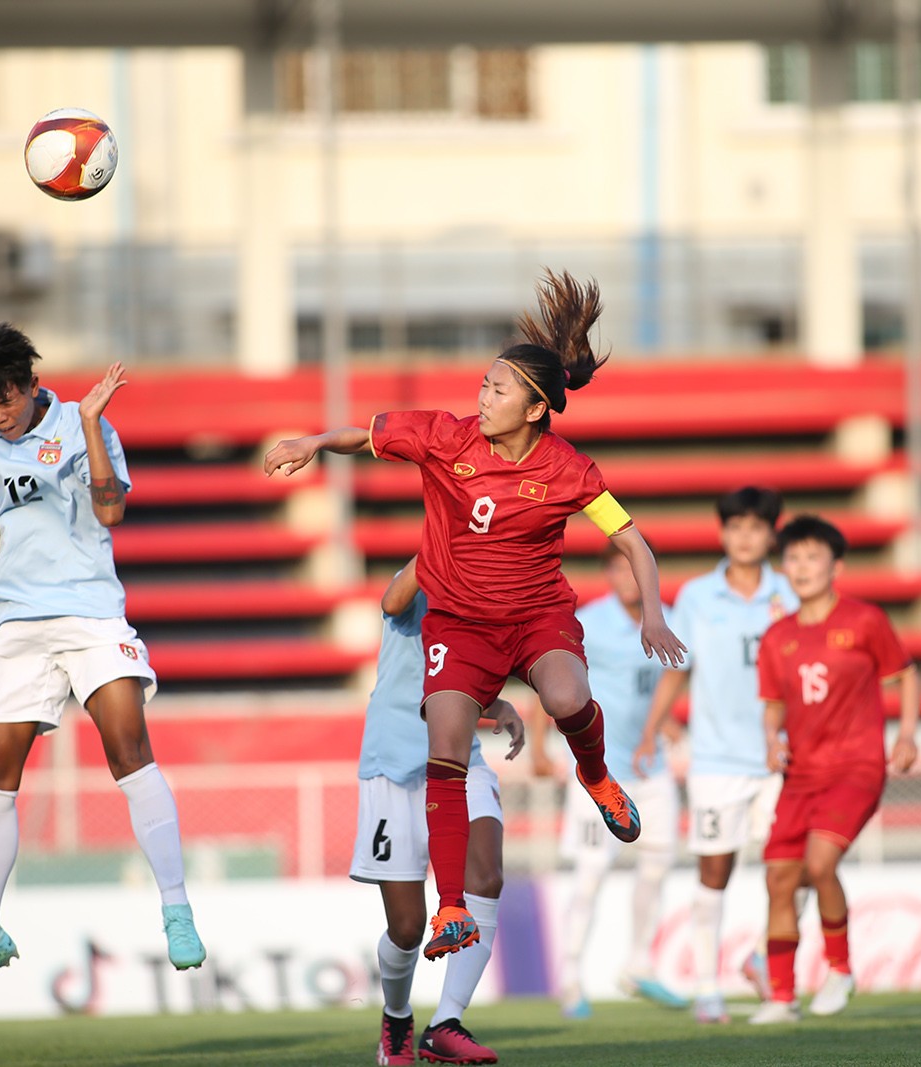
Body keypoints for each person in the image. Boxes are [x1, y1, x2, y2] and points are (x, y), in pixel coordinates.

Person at [264, 270, 687, 962]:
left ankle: (597, 776)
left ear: (534, 407)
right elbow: (362, 434)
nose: (482, 396)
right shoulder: (444, 437)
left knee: (566, 695)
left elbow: (630, 539)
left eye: (497, 388)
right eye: (484, 383)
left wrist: (654, 615)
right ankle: (451, 906)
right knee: (448, 747)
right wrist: (312, 442)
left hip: (535, 616)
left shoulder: (568, 470)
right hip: (459, 624)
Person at [0, 321, 205, 1006]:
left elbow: (111, 512)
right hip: (16, 623)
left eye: (2, 399)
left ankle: (176, 906)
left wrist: (97, 427)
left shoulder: (81, 421)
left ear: (27, 383)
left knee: (128, 746)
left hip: (90, 610)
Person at [633, 486, 795, 1024]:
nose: (745, 536)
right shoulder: (699, 596)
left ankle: (762, 960)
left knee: (800, 869)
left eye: (755, 526)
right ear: (723, 532)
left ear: (772, 533)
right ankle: (707, 986)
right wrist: (650, 730)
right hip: (717, 762)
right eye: (736, 526)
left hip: (782, 759)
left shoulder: (792, 591)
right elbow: (678, 667)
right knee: (714, 873)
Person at [354, 558, 524, 1066]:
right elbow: (390, 603)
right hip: (394, 766)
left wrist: (499, 705)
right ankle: (397, 1017)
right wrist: (436, 546)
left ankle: (445, 1022)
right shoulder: (424, 582)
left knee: (487, 876)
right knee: (406, 927)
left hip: (458, 761)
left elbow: (470, 677)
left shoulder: (486, 597)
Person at [750, 516, 917, 1024]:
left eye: (812, 557)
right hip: (799, 776)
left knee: (820, 865)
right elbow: (773, 703)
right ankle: (782, 997)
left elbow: (905, 674)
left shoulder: (865, 620)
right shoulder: (777, 636)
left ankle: (840, 969)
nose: (801, 568)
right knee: (780, 881)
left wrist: (907, 735)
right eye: (793, 559)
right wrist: (771, 740)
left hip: (856, 767)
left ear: (836, 566)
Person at [550, 549, 687, 1019]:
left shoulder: (661, 620)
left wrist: (659, 724)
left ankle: (639, 965)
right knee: (590, 878)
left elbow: (673, 675)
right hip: (600, 774)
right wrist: (538, 740)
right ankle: (570, 980)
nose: (629, 578)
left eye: (637, 569)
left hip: (652, 768)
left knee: (659, 865)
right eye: (620, 568)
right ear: (608, 574)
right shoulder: (589, 622)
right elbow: (549, 671)